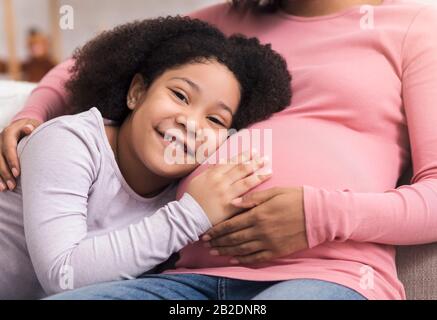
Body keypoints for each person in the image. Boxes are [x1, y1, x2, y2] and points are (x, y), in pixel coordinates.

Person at [1, 0, 437, 300]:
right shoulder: (228, 18)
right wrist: (33, 116)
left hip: (326, 274)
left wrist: (317, 216)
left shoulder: (414, 28)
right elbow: (86, 63)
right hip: (184, 278)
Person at [0, 16, 291, 299]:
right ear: (137, 92)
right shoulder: (69, 141)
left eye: (215, 119)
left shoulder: (182, 189)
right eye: (180, 95)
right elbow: (62, 276)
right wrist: (190, 215)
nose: (190, 123)